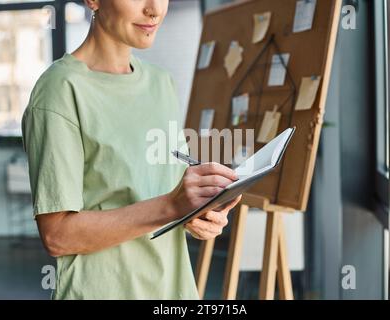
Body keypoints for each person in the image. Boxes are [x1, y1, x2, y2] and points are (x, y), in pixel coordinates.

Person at [21, 0, 242, 299]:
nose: (155, 9)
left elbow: (166, 194)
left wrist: (198, 212)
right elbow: (57, 236)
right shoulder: (60, 91)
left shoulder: (161, 83)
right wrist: (172, 206)